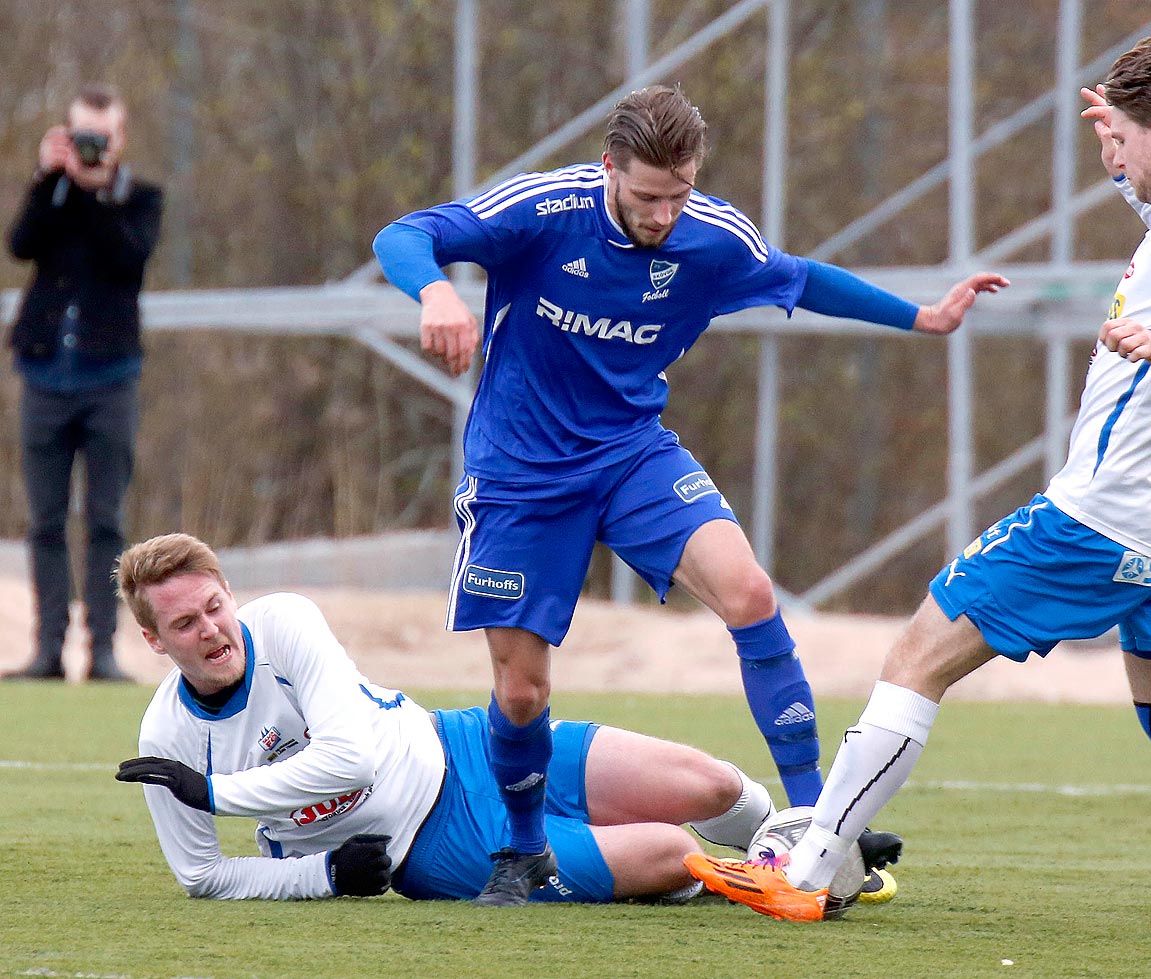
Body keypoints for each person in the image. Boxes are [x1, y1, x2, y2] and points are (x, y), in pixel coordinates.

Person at [684, 32, 1151, 940]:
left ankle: (807, 871)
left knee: (916, 658)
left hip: (1096, 518)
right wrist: (1131, 150)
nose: (1113, 165)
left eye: (1120, 146)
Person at [371, 83, 1007, 903]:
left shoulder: (711, 237)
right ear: (609, 169)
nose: (663, 214)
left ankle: (817, 826)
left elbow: (800, 278)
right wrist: (433, 290)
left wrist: (923, 317)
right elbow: (406, 232)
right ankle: (523, 850)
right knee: (522, 689)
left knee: (749, 591)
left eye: (679, 194)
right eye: (646, 196)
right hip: (521, 476)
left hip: (633, 455)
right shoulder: (543, 211)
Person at [112, 532, 779, 904]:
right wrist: (322, 875)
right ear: (154, 641)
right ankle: (723, 883)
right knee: (673, 850)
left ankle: (796, 841)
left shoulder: (283, 621)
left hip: (466, 744)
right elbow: (202, 875)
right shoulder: (167, 737)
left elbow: (353, 758)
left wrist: (216, 791)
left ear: (231, 594)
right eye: (183, 623)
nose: (209, 629)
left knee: (712, 784)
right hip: (434, 848)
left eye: (213, 606)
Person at [4, 84, 163, 682]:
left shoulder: (141, 200)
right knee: (44, 519)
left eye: (101, 137)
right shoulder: (56, 194)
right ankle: (47, 649)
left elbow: (128, 258)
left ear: (121, 139)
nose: (92, 149)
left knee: (105, 518)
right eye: (82, 137)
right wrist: (50, 179)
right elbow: (21, 244)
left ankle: (102, 649)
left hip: (110, 378)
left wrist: (95, 194)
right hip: (44, 373)